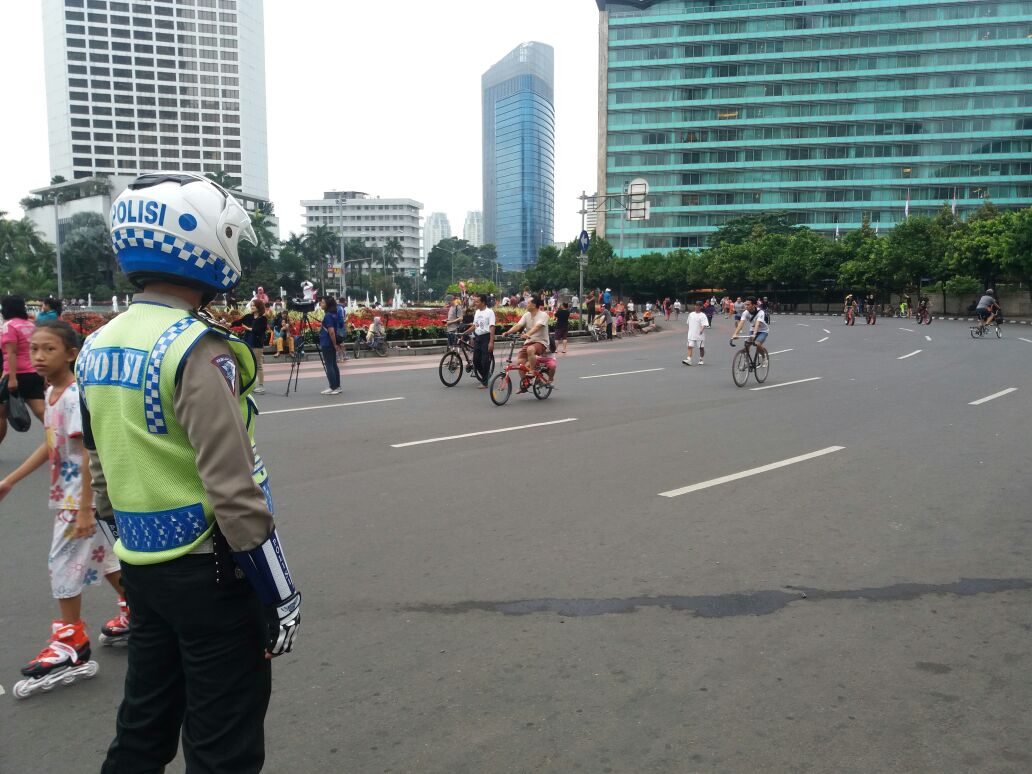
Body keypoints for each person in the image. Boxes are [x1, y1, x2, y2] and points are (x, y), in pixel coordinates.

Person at [82, 173, 299, 772]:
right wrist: (279, 594)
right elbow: (234, 489)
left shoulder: (96, 345)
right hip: (212, 574)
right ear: (204, 243)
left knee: (143, 728)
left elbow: (99, 475)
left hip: (144, 569)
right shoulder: (196, 349)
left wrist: (124, 563)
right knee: (222, 743)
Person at [0, 320, 127, 696]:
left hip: (80, 500)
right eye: (34, 349)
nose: (38, 356)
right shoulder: (51, 391)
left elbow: (89, 455)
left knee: (62, 565)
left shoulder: (73, 397)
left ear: (71, 354)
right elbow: (49, 445)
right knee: (106, 562)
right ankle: (138, 610)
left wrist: (87, 508)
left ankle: (71, 642)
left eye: (48, 349)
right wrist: (11, 480)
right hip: (72, 497)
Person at [2, 295, 47, 430]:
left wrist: (12, 378)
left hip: (16, 374)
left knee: (0, 415)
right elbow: (37, 351)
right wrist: (44, 375)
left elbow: (12, 353)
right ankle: (62, 436)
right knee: (42, 412)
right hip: (34, 373)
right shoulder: (30, 325)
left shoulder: (9, 326)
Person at [502, 295, 551, 390]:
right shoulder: (526, 315)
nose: (526, 305)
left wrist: (527, 334)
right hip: (529, 341)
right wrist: (508, 332)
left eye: (528, 303)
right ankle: (525, 382)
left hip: (541, 342)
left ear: (534, 305)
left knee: (530, 349)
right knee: (520, 363)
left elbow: (537, 327)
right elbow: (518, 326)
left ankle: (532, 370)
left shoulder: (543, 315)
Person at [465, 293, 495, 386]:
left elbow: (492, 327)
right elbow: (475, 325)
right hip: (478, 337)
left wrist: (491, 342)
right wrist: (465, 333)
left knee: (485, 361)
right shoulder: (477, 312)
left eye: (477, 301)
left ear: (483, 302)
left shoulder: (490, 312)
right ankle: (485, 376)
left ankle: (485, 381)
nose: (475, 303)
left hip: (486, 337)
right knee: (476, 361)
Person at [239, 299, 268, 394]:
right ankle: (252, 385)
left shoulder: (262, 319)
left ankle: (261, 386)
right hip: (248, 343)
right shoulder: (250, 317)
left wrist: (247, 328)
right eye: (251, 305)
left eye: (253, 306)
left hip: (257, 345)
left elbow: (257, 330)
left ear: (258, 307)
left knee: (258, 365)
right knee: (250, 365)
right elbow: (240, 321)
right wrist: (229, 324)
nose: (251, 307)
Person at [731, 296, 770, 363]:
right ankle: (747, 361)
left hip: (763, 331)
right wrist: (735, 334)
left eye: (748, 305)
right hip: (752, 329)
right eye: (745, 304)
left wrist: (754, 334)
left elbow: (757, 324)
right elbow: (741, 323)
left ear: (754, 305)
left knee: (757, 344)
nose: (746, 306)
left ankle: (764, 357)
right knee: (747, 344)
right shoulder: (745, 313)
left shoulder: (761, 312)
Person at [319, 296, 341, 394]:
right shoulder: (334, 314)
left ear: (327, 304)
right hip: (331, 342)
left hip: (327, 342)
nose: (321, 304)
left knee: (329, 365)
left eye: (323, 302)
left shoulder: (328, 315)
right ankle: (337, 386)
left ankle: (333, 387)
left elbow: (331, 331)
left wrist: (334, 344)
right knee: (333, 364)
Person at [683, 300, 709, 366]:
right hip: (691, 334)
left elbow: (704, 324)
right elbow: (689, 323)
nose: (696, 306)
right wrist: (689, 331)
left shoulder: (703, 315)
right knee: (689, 346)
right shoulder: (691, 314)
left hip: (699, 335)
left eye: (698, 305)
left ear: (701, 307)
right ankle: (689, 359)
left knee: (701, 348)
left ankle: (701, 359)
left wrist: (701, 330)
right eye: (696, 305)